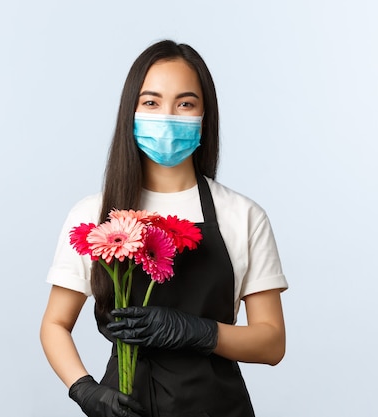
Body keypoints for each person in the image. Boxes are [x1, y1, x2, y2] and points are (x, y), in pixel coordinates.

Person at [40, 40, 288, 417]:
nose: (168, 116)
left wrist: (198, 331)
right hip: (124, 407)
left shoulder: (242, 215)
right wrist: (85, 390)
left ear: (205, 115)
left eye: (185, 103)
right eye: (151, 102)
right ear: (131, 112)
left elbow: (271, 343)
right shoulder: (93, 214)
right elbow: (55, 323)